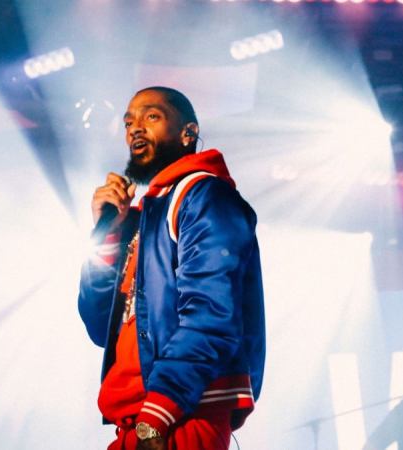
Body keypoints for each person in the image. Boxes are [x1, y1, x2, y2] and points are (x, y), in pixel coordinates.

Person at [77, 86, 265, 450]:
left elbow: (213, 312)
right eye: (128, 122)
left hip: (181, 415)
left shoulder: (203, 195)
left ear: (188, 133)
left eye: (152, 116)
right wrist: (107, 233)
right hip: (136, 419)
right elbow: (100, 327)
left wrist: (158, 416)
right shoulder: (141, 219)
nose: (135, 127)